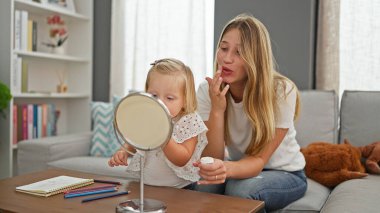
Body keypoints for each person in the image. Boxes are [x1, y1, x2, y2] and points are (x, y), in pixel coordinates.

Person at [194, 14, 307, 211]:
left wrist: (226, 169)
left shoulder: (281, 91)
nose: (227, 58)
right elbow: (213, 156)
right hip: (238, 165)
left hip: (286, 173)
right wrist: (218, 110)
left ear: (256, 58)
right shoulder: (207, 90)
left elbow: (258, 161)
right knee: (204, 188)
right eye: (223, 48)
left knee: (241, 192)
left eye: (239, 52)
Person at [108, 58, 208, 189]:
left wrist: (163, 135)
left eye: (169, 98)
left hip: (180, 189)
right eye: (154, 96)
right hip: (147, 185)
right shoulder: (148, 115)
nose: (160, 103)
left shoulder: (190, 121)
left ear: (185, 99)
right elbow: (136, 139)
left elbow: (182, 159)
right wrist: (124, 151)